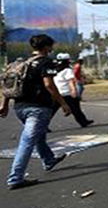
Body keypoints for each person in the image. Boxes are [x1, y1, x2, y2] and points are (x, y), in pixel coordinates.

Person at [1, 34, 71, 190]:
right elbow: (49, 85)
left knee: (38, 136)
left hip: (19, 107)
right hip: (38, 108)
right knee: (27, 141)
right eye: (51, 46)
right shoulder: (46, 62)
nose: (52, 49)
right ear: (46, 47)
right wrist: (64, 104)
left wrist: (4, 104)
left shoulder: (23, 63)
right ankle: (15, 178)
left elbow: (8, 83)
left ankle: (49, 160)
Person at [53, 53, 93, 128]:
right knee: (76, 108)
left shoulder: (55, 70)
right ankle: (83, 122)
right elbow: (71, 81)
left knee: (52, 110)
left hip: (57, 93)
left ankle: (43, 125)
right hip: (66, 93)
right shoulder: (67, 70)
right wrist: (73, 90)